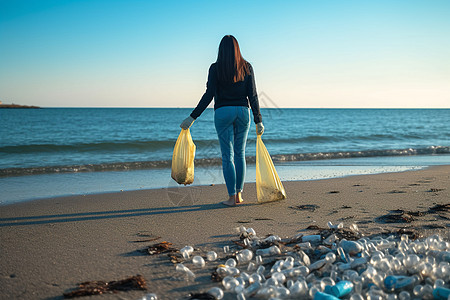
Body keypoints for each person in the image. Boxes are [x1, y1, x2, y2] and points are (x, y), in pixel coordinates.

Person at [180, 35, 264, 206]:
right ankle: (239, 196)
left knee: (228, 156)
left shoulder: (215, 68)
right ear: (237, 49)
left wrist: (192, 117)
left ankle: (231, 198)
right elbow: (253, 95)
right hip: (243, 112)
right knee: (240, 154)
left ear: (220, 50)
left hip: (223, 112)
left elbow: (209, 94)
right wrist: (258, 119)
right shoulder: (246, 67)